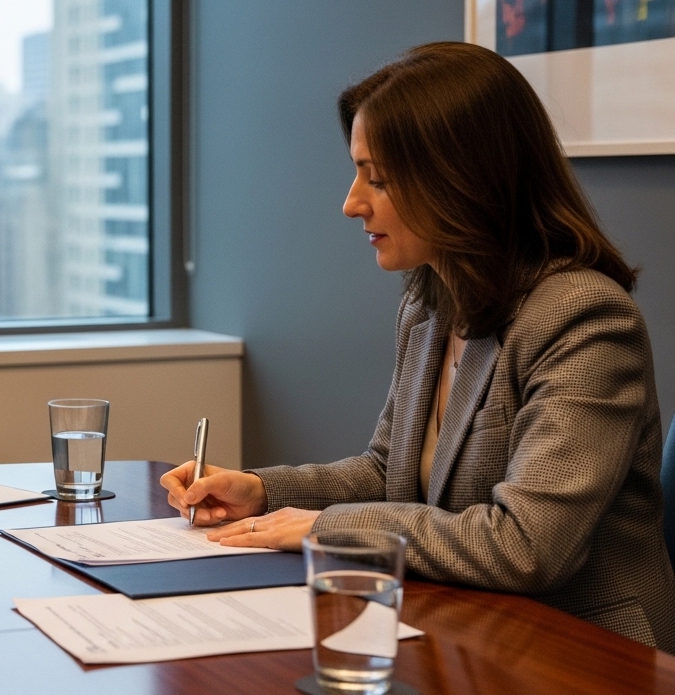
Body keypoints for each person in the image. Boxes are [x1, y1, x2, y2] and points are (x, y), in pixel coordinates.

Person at [161, 42, 675, 651]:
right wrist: (263, 492)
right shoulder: (430, 301)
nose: (352, 203)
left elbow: (528, 547)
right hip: (467, 632)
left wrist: (326, 527)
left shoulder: (585, 320)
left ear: (463, 180)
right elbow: (389, 473)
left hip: (583, 651)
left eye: (378, 178)